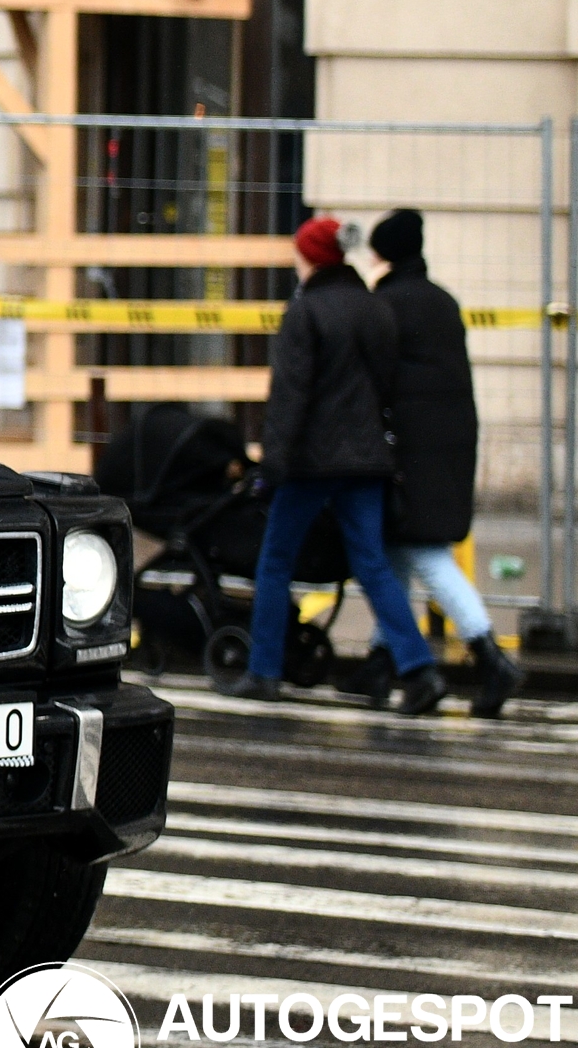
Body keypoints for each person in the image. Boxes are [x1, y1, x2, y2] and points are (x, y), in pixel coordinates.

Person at [220, 214, 443, 711]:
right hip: (366, 460)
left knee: (275, 562)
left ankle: (264, 672)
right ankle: (420, 669)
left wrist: (273, 464)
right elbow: (384, 385)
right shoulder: (374, 307)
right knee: (373, 565)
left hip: (310, 463)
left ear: (310, 257)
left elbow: (290, 396)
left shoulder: (306, 312)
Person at [337, 209, 524, 716]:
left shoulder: (387, 304)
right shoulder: (442, 301)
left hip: (410, 448)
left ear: (384, 253)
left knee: (425, 554)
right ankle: (382, 658)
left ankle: (491, 658)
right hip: (449, 442)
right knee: (395, 551)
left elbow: (376, 378)